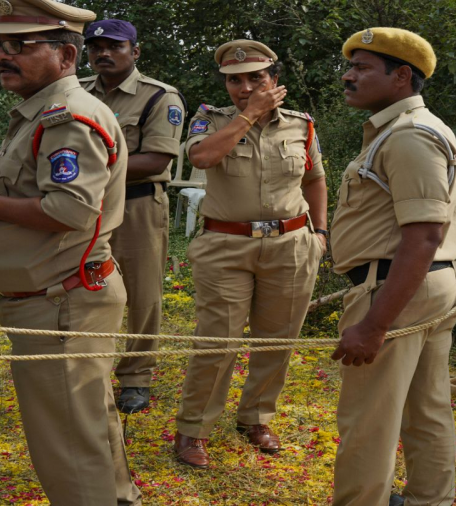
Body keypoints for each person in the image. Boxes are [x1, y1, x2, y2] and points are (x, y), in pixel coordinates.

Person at [0, 0, 141, 504]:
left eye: (21, 46)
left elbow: (71, 210)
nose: (2, 56)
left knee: (68, 446)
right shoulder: (40, 113)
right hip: (57, 298)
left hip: (60, 304)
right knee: (85, 424)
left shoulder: (67, 117)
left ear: (67, 55)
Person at [173, 39, 328, 468]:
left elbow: (315, 179)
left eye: (255, 78)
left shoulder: (301, 125)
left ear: (274, 80)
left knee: (277, 340)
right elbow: (202, 158)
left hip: (291, 244)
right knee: (216, 343)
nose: (244, 87)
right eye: (234, 80)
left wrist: (322, 233)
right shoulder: (209, 120)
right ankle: (193, 431)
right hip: (226, 246)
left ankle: (256, 418)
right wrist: (249, 115)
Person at [328, 27, 456, 506]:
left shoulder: (409, 136)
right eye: (350, 66)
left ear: (401, 76)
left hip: (396, 288)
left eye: (362, 68)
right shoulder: (402, 130)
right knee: (426, 407)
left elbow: (424, 234)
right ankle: (431, 499)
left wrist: (373, 324)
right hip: (421, 284)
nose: (348, 77)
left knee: (369, 421)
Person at [80, 19, 184, 414]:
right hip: (84, 206)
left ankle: (137, 376)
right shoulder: (76, 92)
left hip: (137, 204)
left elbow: (156, 159)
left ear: (134, 52)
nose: (103, 53)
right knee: (85, 286)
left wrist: (88, 168)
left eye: (114, 46)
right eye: (96, 47)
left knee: (142, 295)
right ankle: (89, 368)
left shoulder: (160, 97)